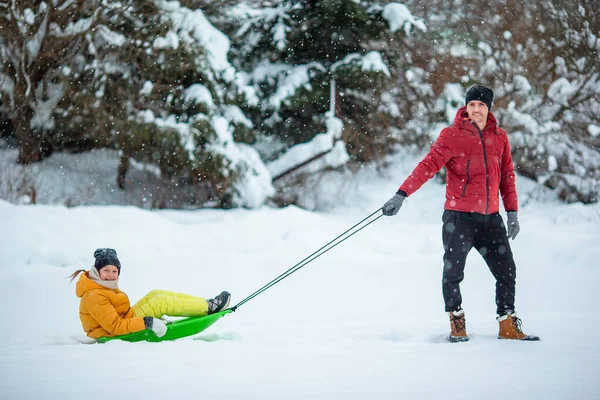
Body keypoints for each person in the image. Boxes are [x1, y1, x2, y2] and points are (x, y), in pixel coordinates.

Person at [382, 85, 539, 342]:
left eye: (482, 105)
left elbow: (507, 177)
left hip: (490, 219)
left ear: (489, 109)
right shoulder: (451, 135)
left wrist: (512, 212)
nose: (476, 109)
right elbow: (427, 166)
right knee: (453, 273)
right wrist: (401, 194)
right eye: (472, 105)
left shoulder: (499, 138)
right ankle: (457, 321)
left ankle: (507, 323)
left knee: (506, 270)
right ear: (466, 108)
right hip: (459, 217)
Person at [70, 248, 231, 340]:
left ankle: (205, 305)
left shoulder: (100, 285)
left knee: (156, 294)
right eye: (106, 270)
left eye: (115, 271)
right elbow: (115, 327)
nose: (111, 275)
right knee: (159, 302)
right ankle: (208, 307)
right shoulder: (94, 296)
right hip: (111, 332)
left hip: (125, 318)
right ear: (97, 271)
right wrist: (147, 322)